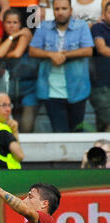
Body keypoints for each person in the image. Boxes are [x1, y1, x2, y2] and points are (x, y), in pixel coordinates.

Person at [29, 0, 94, 133]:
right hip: (51, 91)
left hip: (77, 89)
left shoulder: (82, 26)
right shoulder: (43, 26)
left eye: (64, 8)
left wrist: (64, 55)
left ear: (71, 10)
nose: (60, 12)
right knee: (60, 133)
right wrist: (51, 55)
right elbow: (32, 51)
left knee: (77, 132)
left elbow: (88, 50)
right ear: (53, 11)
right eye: (57, 9)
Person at [0, 8, 38, 133]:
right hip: (12, 87)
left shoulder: (25, 33)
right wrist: (12, 37)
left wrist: (6, 53)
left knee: (26, 126)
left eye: (15, 23)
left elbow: (17, 53)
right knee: (13, 126)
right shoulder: (6, 38)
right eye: (9, 22)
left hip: (30, 86)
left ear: (20, 24)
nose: (12, 26)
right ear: (3, 24)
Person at [90, 1, 110, 132]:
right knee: (106, 124)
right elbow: (102, 49)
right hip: (102, 85)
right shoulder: (98, 28)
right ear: (104, 14)